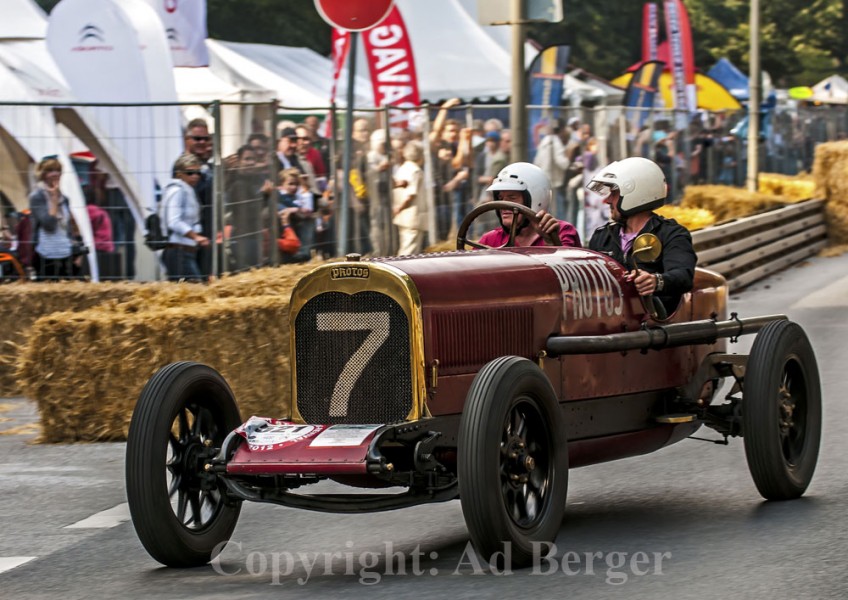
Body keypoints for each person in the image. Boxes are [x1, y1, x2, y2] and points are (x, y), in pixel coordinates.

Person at [586, 156, 696, 316]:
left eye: (614, 193)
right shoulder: (602, 236)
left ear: (635, 193)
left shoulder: (672, 233)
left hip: (654, 326)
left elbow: (683, 276)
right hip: (609, 324)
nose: (607, 200)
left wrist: (655, 281)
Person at [479, 162, 581, 248]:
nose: (503, 205)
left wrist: (550, 242)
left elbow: (564, 266)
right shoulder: (489, 240)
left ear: (535, 198)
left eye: (512, 198)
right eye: (500, 198)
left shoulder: (562, 231)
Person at [161, 154, 209, 282]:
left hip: (185, 250)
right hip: (179, 251)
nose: (195, 176)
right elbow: (174, 221)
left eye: (198, 173)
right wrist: (195, 236)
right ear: (179, 174)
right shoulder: (178, 191)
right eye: (190, 173)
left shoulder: (186, 190)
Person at [28, 157, 77, 280]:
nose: (55, 174)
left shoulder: (64, 199)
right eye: (51, 170)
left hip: (65, 253)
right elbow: (49, 225)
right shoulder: (37, 197)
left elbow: (68, 228)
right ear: (43, 174)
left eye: (58, 170)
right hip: (46, 254)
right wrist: (54, 199)